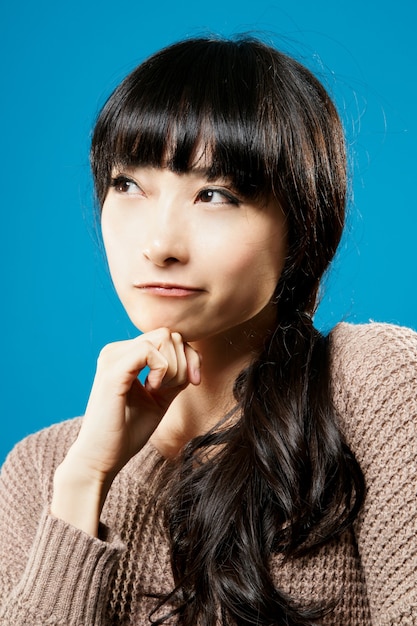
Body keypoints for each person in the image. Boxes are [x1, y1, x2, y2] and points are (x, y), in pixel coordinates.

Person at [0, 35, 416, 626]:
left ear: (301, 224)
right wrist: (84, 482)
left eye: (214, 194)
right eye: (128, 185)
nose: (160, 246)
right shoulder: (41, 469)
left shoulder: (378, 385)